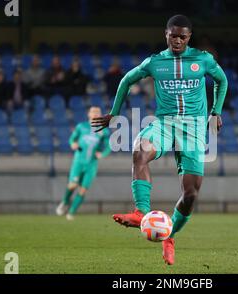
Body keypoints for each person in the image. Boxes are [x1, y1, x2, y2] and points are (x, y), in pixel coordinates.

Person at [91, 15, 228, 265]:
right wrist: (114, 113)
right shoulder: (155, 62)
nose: (177, 40)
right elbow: (126, 80)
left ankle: (169, 236)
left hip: (193, 129)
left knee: (191, 195)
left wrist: (216, 111)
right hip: (165, 124)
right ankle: (141, 212)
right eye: (173, 36)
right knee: (139, 151)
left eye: (182, 37)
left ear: (189, 38)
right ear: (166, 34)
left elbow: (222, 80)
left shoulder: (203, 59)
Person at [56, 106, 111, 221]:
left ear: (100, 115)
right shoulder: (81, 127)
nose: (95, 114)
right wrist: (73, 144)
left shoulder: (104, 130)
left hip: (91, 164)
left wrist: (102, 154)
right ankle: (65, 202)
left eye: (97, 112)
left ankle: (71, 212)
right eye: (93, 112)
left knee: (83, 189)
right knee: (72, 185)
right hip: (78, 162)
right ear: (89, 114)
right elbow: (72, 139)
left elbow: (108, 146)